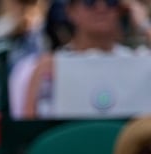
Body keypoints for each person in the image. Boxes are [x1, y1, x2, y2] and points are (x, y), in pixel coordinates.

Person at [19, 0, 151, 118]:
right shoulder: (50, 65)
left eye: (111, 2)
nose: (101, 8)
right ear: (71, 11)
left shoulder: (137, 60)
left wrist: (143, 23)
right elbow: (29, 123)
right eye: (90, 2)